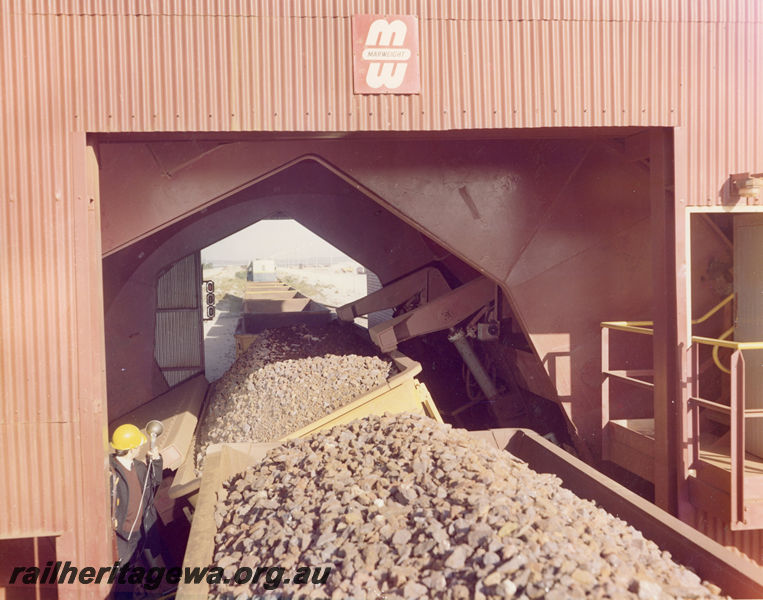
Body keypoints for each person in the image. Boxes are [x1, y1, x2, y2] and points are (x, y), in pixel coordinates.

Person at [109, 423, 163, 566]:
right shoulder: (110, 472)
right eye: (138, 446)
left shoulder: (138, 466)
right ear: (131, 449)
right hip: (123, 534)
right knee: (125, 573)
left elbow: (154, 482)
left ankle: (158, 586)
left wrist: (155, 461)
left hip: (143, 528)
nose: (140, 448)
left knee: (153, 564)